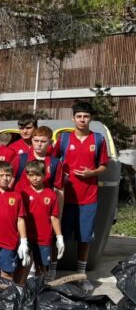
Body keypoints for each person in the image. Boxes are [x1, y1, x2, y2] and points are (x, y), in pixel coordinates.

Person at [52, 100, 109, 280]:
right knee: (58, 235)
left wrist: (92, 172)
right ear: (73, 118)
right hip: (65, 198)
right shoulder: (64, 139)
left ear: (90, 118)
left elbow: (104, 166)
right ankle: (51, 274)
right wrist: (63, 176)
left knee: (85, 239)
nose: (82, 119)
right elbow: (53, 163)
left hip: (89, 198)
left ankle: (81, 276)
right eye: (79, 116)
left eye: (85, 116)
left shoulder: (98, 139)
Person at [16, 160, 64, 283]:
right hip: (27, 237)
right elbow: (19, 218)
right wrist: (21, 239)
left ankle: (39, 292)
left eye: (38, 175)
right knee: (23, 266)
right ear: (27, 176)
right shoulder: (23, 194)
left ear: (44, 175)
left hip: (44, 238)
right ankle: (20, 291)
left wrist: (59, 237)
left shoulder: (51, 194)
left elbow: (54, 217)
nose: (35, 178)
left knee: (41, 268)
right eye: (31, 175)